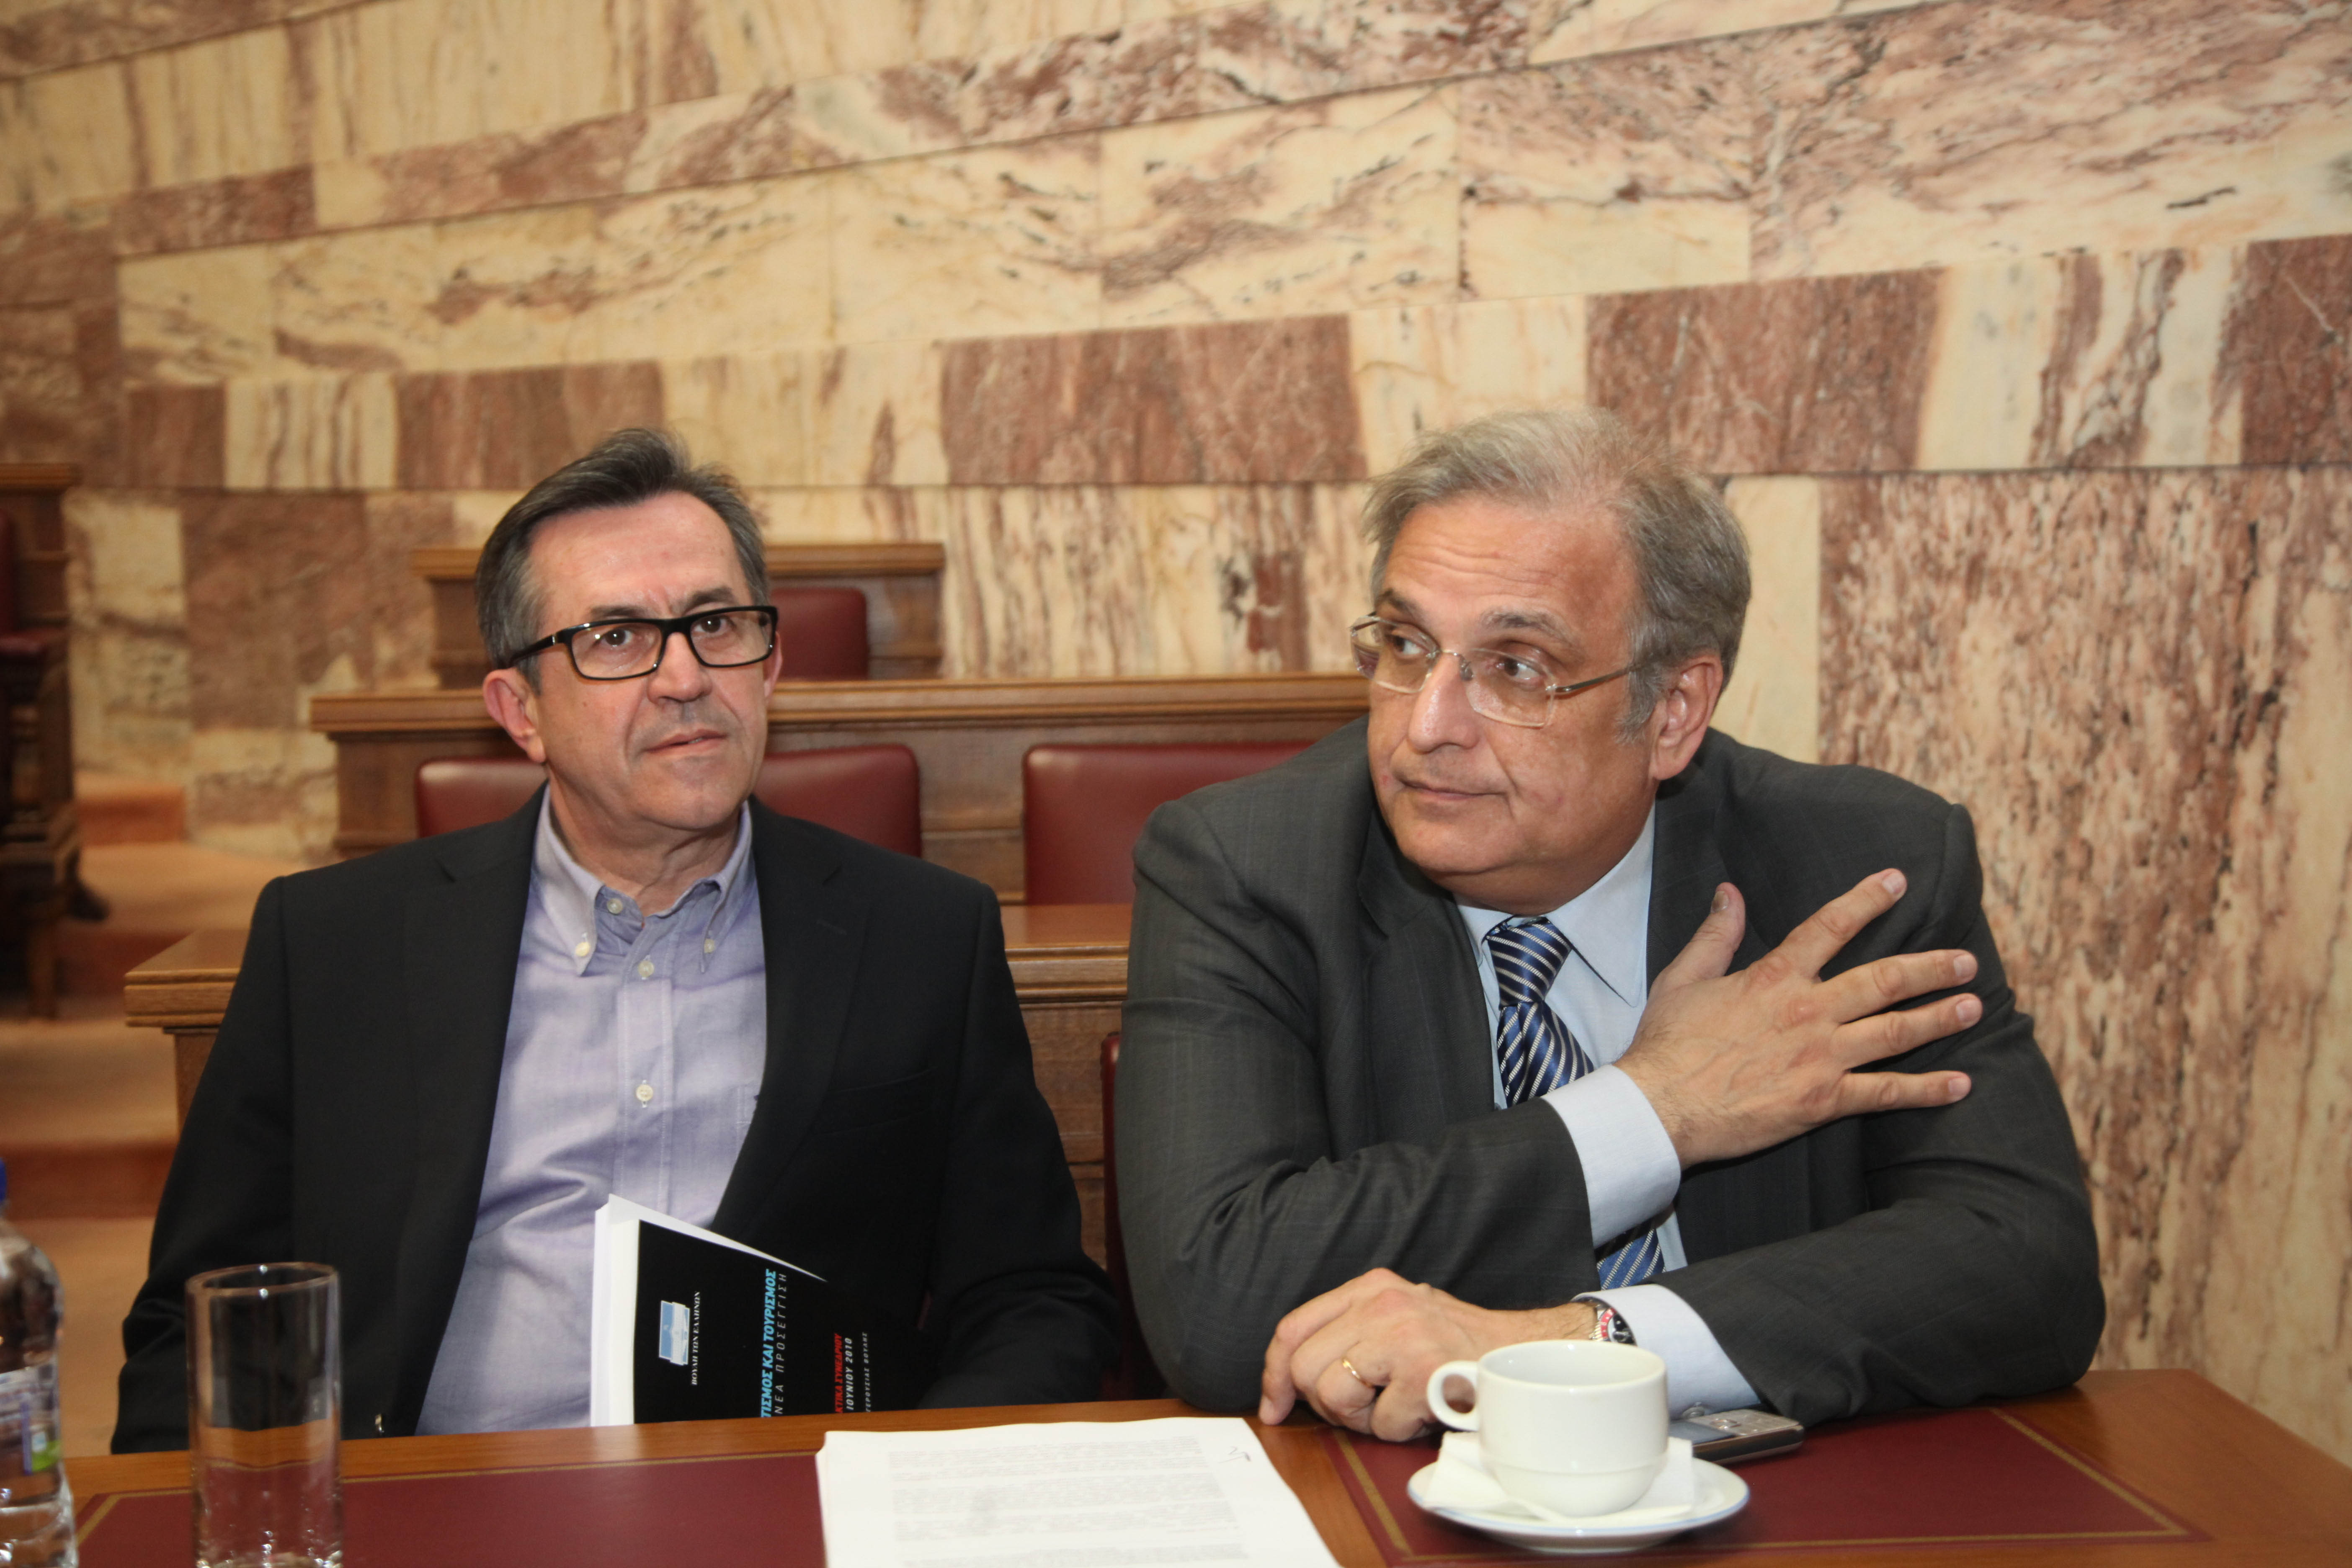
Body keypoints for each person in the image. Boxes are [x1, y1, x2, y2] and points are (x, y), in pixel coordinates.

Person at [116, 430, 1115, 1448]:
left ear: (772, 666)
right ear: (521, 711)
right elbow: (198, 1328)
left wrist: (904, 1485)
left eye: (716, 625)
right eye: (617, 639)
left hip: (789, 1502)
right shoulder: (336, 947)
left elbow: (1032, 1298)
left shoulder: (923, 936)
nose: (685, 677)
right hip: (436, 1498)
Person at [1117, 408, 2101, 1439]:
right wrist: (1656, 1109)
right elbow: (1216, 1298)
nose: (1427, 727)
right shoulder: (1251, 866)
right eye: (1407, 646)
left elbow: (2025, 1265)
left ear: (1672, 713)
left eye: (1516, 667)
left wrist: (1591, 1344)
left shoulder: (1854, 873)